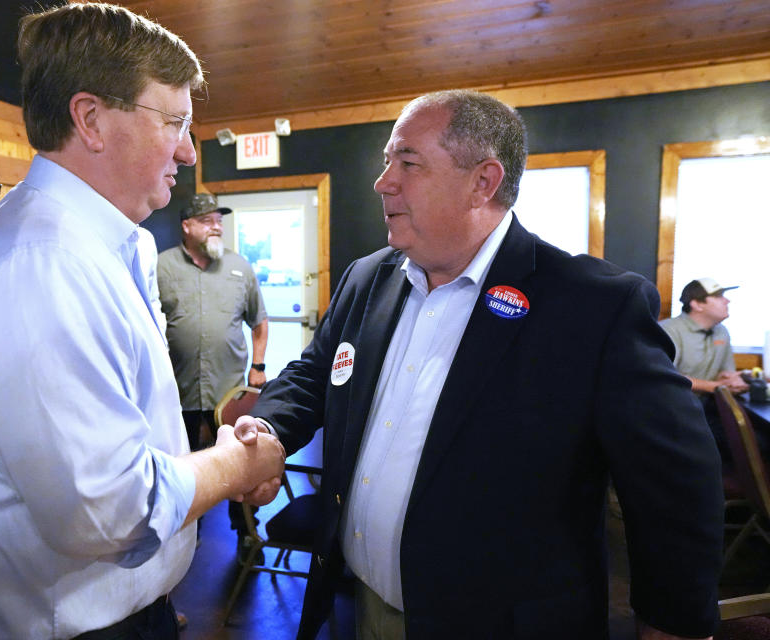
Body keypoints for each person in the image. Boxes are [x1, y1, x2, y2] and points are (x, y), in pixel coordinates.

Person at [238, 90, 725, 639]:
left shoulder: (592, 307)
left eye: (408, 162)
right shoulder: (365, 279)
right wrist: (270, 427)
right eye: (385, 161)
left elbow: (673, 486)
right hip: (361, 607)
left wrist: (674, 623)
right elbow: (314, 372)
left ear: (483, 182)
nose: (383, 181)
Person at [0, 4, 284, 639]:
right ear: (91, 119)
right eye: (176, 122)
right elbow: (104, 510)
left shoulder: (107, 246)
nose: (189, 151)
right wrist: (234, 465)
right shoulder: (40, 267)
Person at [158, 192, 269, 561]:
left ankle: (248, 533)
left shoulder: (239, 268)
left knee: (241, 462)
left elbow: (260, 321)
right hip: (177, 389)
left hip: (229, 391)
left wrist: (259, 366)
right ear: (187, 226)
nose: (217, 225)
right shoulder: (162, 267)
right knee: (180, 463)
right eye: (207, 219)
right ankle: (186, 536)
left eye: (219, 219)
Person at [661, 278, 749, 461]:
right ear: (697, 304)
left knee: (755, 441)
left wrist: (732, 380)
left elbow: (724, 374)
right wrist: (715, 386)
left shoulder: (722, 332)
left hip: (707, 408)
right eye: (718, 297)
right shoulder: (669, 330)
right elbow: (666, 379)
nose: (727, 301)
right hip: (671, 413)